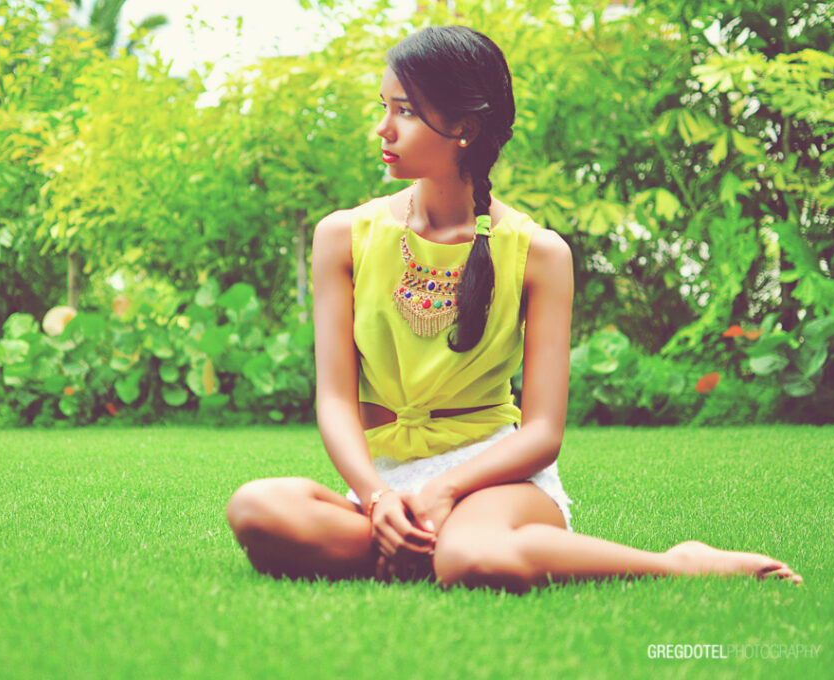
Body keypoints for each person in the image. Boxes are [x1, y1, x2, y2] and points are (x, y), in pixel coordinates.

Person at [225, 26, 803, 591]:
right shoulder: (343, 236)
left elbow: (544, 431)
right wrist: (377, 497)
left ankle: (677, 561)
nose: (383, 127)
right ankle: (416, 544)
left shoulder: (539, 254)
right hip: (385, 486)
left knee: (475, 558)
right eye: (384, 106)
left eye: (404, 110)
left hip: (491, 480)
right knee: (259, 506)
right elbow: (334, 399)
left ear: (463, 128)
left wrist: (446, 490)